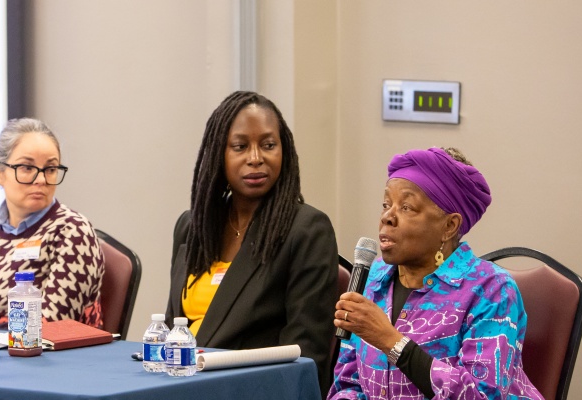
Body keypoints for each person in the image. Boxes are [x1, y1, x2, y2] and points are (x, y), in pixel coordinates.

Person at [329, 147, 542, 399]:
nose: (387, 216)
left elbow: (482, 394)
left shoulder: (492, 291)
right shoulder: (374, 278)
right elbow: (348, 383)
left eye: (406, 207)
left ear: (449, 226)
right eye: (386, 204)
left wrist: (391, 341)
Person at [166, 91, 338, 395]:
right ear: (220, 153)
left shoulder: (307, 230)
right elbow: (172, 330)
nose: (256, 158)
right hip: (179, 386)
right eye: (240, 146)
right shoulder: (193, 226)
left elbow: (306, 355)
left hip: (247, 391)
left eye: (268, 145)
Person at [0, 118, 104, 329]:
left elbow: (51, 324)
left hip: (55, 359)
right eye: (27, 167)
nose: (41, 179)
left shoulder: (73, 231)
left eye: (50, 169)